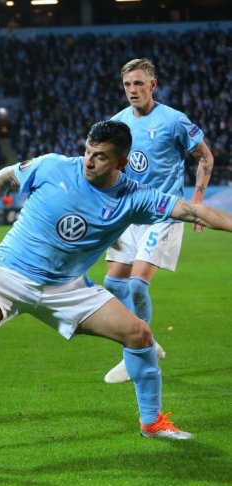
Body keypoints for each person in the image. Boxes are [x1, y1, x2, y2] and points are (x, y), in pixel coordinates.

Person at [0, 120, 232, 442]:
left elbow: (192, 210)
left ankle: (151, 423)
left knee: (139, 334)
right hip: (9, 273)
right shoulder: (54, 166)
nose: (89, 161)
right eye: (88, 152)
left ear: (121, 162)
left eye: (101, 157)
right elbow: (3, 177)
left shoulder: (134, 196)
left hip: (67, 289)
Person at [103, 58, 214, 384]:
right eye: (127, 85)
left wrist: (196, 205)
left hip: (165, 212)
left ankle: (138, 352)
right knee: (112, 284)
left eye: (139, 84)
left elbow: (205, 156)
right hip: (130, 214)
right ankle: (146, 341)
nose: (133, 90)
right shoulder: (118, 123)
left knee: (137, 284)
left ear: (153, 85)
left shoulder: (174, 121)